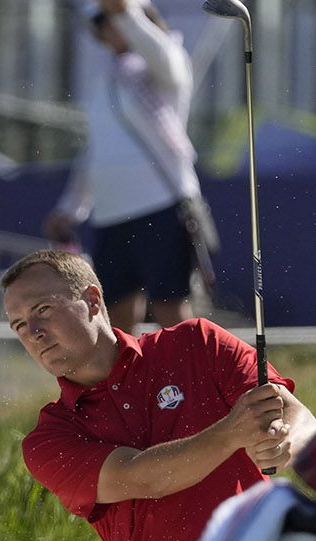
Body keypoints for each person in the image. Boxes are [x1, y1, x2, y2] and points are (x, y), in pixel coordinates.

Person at [1, 249, 316, 541]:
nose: (34, 333)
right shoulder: (48, 439)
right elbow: (141, 477)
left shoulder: (197, 343)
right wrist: (232, 433)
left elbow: (295, 414)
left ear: (91, 300)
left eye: (43, 310)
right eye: (20, 325)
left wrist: (283, 443)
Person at [45, 0, 206, 336]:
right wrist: (70, 209)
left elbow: (168, 61)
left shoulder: (165, 64)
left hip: (160, 206)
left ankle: (200, 385)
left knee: (171, 310)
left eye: (115, 18)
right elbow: (96, 152)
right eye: (105, 20)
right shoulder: (104, 81)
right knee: (114, 315)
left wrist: (126, 11)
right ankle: (125, 388)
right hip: (111, 216)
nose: (109, 25)